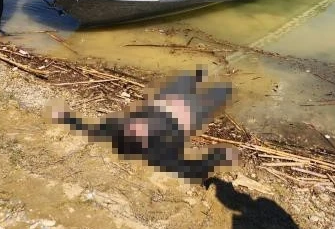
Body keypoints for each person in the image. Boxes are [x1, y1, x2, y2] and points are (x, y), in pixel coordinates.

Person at [52, 68, 237, 183]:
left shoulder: (117, 129)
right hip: (189, 114)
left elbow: (87, 129)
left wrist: (65, 118)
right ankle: (227, 83)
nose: (134, 125)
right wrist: (219, 156)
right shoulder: (160, 153)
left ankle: (202, 73)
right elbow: (190, 171)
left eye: (132, 127)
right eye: (137, 131)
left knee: (193, 76)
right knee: (222, 91)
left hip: (164, 102)